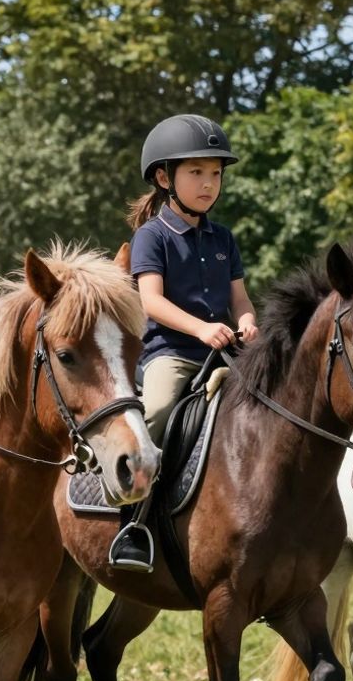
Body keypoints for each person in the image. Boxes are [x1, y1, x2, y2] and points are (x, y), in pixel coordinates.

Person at [108, 114, 259, 573]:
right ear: (163, 177)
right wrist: (199, 329)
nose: (209, 183)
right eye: (197, 172)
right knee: (154, 413)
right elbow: (151, 301)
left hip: (225, 350)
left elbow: (240, 297)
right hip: (172, 354)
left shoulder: (223, 238)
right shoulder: (151, 236)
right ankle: (134, 524)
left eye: (215, 173)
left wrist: (250, 322)